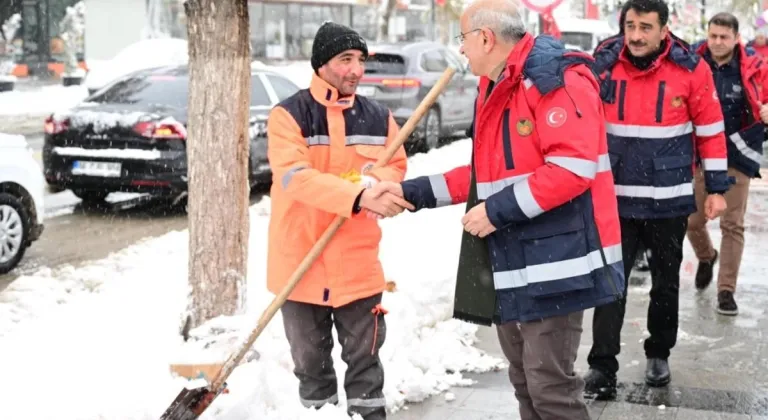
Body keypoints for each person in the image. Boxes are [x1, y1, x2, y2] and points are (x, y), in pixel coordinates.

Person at [377, 0, 625, 417]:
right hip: (516, 262)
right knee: (526, 385)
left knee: (551, 390)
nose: (461, 49)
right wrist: (411, 191)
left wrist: (495, 211)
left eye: (463, 39)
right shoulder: (498, 85)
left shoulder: (552, 79)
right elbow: (484, 174)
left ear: (486, 38)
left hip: (558, 265)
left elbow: (571, 168)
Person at [265, 22, 412, 420]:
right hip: (301, 265)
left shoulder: (378, 117)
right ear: (321, 64)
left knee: (366, 370)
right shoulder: (288, 116)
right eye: (345, 60)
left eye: (360, 60)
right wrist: (357, 194)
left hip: (357, 266)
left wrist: (379, 183)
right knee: (311, 371)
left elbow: (396, 166)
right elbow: (294, 177)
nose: (356, 71)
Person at [586, 0, 729, 399]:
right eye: (630, 26)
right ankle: (601, 366)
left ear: (664, 29)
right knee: (609, 285)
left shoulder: (690, 69)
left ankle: (659, 353)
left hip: (668, 201)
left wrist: (716, 188)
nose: (636, 36)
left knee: (665, 285)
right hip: (614, 200)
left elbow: (711, 130)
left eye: (645, 27)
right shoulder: (603, 64)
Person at [688, 13, 768, 315]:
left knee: (732, 225)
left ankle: (726, 291)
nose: (717, 42)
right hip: (699, 154)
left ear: (736, 38)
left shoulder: (755, 66)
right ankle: (707, 256)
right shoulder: (692, 60)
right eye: (713, 36)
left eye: (724, 37)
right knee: (692, 221)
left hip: (738, 153)